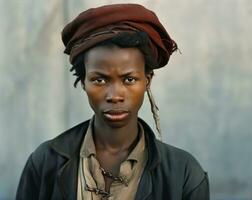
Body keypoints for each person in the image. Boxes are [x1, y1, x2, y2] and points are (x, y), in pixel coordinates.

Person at [16, 3, 209, 200]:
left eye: (129, 79)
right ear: (83, 82)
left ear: (147, 81)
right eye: (99, 80)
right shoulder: (45, 162)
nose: (115, 95)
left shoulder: (184, 174)